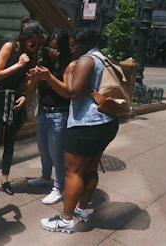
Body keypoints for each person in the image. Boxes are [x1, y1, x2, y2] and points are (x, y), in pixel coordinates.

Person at [40, 27, 119, 233]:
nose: (71, 50)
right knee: (90, 169)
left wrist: (58, 75)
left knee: (73, 172)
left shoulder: (86, 60)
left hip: (87, 124)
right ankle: (82, 210)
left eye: (73, 46)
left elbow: (73, 94)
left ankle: (66, 220)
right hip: (107, 122)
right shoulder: (103, 58)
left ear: (82, 46)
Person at [0, 17, 43, 197]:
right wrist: (18, 65)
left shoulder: (33, 56)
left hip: (15, 98)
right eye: (32, 43)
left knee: (11, 142)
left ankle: (5, 179)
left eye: (38, 43)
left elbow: (27, 85)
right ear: (23, 38)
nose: (34, 46)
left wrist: (28, 88)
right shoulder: (9, 47)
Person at [26, 29, 72, 205]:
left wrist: (49, 77)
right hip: (44, 113)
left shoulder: (68, 65)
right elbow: (30, 88)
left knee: (56, 154)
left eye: (56, 50)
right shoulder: (42, 62)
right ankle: (46, 177)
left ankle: (59, 187)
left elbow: (67, 93)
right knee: (43, 149)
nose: (52, 53)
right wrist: (34, 78)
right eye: (49, 49)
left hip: (60, 114)